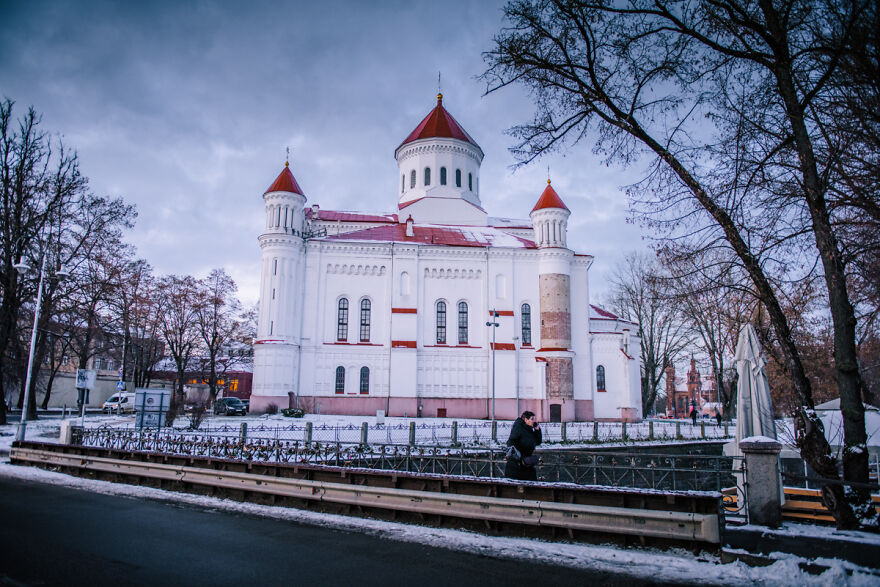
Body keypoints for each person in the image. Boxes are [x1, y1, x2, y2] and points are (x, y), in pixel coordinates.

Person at [504, 410, 542, 481]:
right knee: (517, 486)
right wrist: (515, 455)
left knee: (531, 484)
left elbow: (538, 442)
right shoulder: (518, 427)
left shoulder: (530, 430)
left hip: (527, 463)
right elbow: (511, 441)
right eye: (532, 419)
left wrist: (537, 431)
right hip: (517, 464)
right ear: (526, 420)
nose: (534, 421)